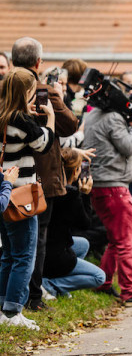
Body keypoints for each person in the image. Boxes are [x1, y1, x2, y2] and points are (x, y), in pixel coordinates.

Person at [12, 37, 79, 312]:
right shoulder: (41, 90)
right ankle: (32, 297)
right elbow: (70, 125)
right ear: (38, 62)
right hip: (38, 178)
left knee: (11, 245)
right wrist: (56, 99)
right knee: (34, 241)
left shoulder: (5, 88)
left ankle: (11, 298)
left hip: (8, 176)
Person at [83, 73, 132, 306]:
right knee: (128, 240)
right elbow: (127, 147)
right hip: (115, 186)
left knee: (116, 239)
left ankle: (104, 283)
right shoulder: (113, 118)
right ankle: (129, 290)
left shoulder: (93, 115)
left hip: (100, 185)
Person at [0, 67, 55, 330]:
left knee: (8, 255)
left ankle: (3, 307)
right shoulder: (20, 120)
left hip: (4, 191)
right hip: (21, 197)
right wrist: (51, 119)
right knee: (24, 256)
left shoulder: (5, 116)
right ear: (26, 92)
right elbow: (44, 144)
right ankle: (12, 312)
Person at [42, 148, 105, 298]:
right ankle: (51, 285)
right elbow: (85, 224)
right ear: (76, 171)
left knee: (83, 244)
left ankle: (56, 282)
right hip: (56, 255)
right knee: (99, 277)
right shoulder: (71, 194)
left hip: (44, 248)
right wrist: (85, 195)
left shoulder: (49, 187)